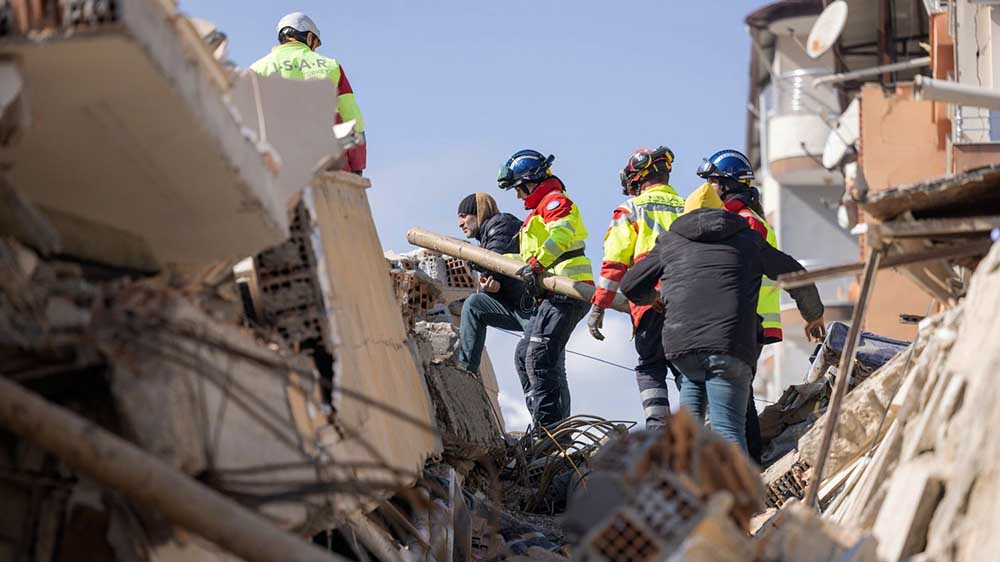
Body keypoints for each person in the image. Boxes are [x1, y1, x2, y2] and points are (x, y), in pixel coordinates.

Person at [619, 206, 824, 452]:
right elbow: (795, 274)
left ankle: (685, 487)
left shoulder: (671, 240)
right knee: (727, 430)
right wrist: (814, 316)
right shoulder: (748, 240)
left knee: (688, 435)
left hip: (682, 349)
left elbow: (630, 284)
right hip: (728, 346)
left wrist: (652, 298)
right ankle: (738, 490)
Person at [695, 149, 826, 463]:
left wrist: (813, 313)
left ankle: (745, 463)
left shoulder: (744, 223)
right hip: (743, 320)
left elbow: (761, 269)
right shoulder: (739, 219)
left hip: (746, 319)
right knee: (740, 395)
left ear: (728, 185)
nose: (705, 188)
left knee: (731, 396)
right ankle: (752, 460)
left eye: (712, 181)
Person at [587, 147, 685, 429]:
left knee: (651, 366)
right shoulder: (687, 207)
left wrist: (599, 306)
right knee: (686, 367)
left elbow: (615, 262)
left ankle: (658, 432)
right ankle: (700, 428)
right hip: (689, 299)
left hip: (650, 300)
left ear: (636, 177)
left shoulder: (631, 209)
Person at [497, 149, 593, 429]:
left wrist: (537, 264)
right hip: (552, 295)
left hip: (568, 291)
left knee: (540, 358)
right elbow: (528, 261)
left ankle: (552, 433)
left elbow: (560, 237)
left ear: (530, 181)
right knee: (523, 354)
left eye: (519, 189)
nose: (518, 196)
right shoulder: (538, 214)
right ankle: (543, 423)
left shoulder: (554, 202)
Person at [250, 12, 367, 174]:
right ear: (310, 38)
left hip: (279, 168)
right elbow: (354, 120)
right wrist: (357, 166)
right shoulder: (331, 66)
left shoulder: (257, 69)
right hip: (331, 165)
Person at [454, 192, 535, 374]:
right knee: (474, 305)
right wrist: (492, 288)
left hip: (533, 306)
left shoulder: (502, 224)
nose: (460, 223)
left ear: (479, 212)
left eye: (463, 216)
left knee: (537, 358)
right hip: (516, 307)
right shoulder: (486, 239)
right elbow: (497, 271)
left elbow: (493, 259)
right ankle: (466, 370)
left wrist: (474, 262)